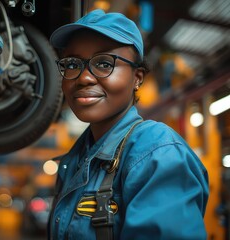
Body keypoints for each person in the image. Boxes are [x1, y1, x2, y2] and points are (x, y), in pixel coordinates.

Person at [47, 9, 209, 240]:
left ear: (137, 78)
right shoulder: (76, 160)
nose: (83, 77)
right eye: (72, 64)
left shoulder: (157, 154)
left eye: (104, 63)